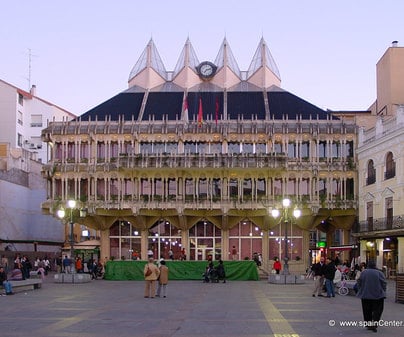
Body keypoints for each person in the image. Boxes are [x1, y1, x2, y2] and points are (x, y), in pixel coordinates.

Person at [356, 260, 387, 332]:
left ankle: (368, 323)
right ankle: (375, 322)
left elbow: (359, 281)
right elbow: (384, 283)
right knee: (378, 310)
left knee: (366, 310)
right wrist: (383, 290)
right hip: (378, 295)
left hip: (365, 294)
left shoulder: (364, 272)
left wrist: (361, 289)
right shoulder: (379, 273)